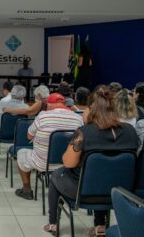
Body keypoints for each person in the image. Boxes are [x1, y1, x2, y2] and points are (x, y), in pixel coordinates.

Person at [43, 87, 139, 236]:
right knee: (105, 174)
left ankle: (53, 223)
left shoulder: (84, 132)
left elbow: (68, 163)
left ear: (90, 110)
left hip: (83, 192)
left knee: (56, 174)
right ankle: (100, 225)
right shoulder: (130, 131)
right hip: (120, 192)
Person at [15, 93, 83, 200]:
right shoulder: (78, 118)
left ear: (49, 104)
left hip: (43, 162)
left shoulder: (42, 116)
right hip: (69, 164)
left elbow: (29, 136)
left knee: (21, 153)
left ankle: (26, 190)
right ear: (64, 104)